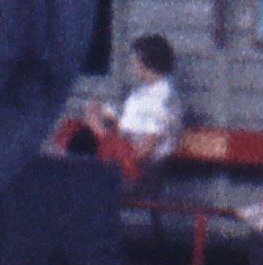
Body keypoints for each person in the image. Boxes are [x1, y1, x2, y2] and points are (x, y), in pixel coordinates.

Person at [76, 35, 185, 175]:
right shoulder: (143, 92)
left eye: (135, 60)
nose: (133, 65)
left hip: (138, 171)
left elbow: (142, 152)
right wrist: (100, 111)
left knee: (80, 164)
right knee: (72, 132)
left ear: (146, 63)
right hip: (118, 159)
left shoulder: (164, 98)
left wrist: (101, 133)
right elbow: (126, 120)